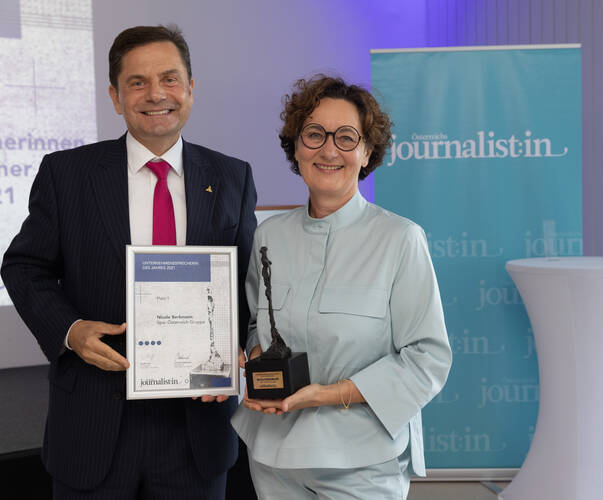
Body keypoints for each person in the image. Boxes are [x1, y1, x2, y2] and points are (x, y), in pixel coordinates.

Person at [1, 25, 257, 498]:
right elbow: (23, 266)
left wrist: (239, 349)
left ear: (191, 88)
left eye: (169, 79)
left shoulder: (232, 176)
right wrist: (70, 330)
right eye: (137, 82)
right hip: (93, 423)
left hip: (197, 426)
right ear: (115, 97)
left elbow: (248, 284)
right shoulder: (67, 173)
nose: (156, 94)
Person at [231, 75, 452, 499]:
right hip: (273, 456)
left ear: (367, 152)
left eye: (346, 138)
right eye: (314, 134)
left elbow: (428, 358)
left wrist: (328, 395)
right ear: (296, 147)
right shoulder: (269, 236)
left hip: (362, 460)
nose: (329, 150)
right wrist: (258, 360)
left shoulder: (400, 239)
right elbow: (257, 326)